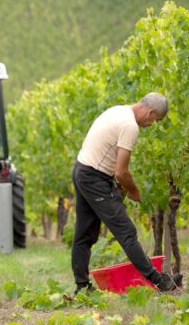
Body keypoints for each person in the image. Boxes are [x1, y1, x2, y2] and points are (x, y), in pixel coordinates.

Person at [71, 92, 182, 294]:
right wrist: (133, 190)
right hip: (94, 178)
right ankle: (159, 282)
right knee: (126, 232)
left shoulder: (118, 110)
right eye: (154, 120)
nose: (151, 124)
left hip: (82, 170)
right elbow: (121, 171)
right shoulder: (130, 126)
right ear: (150, 112)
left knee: (84, 233)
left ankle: (81, 287)